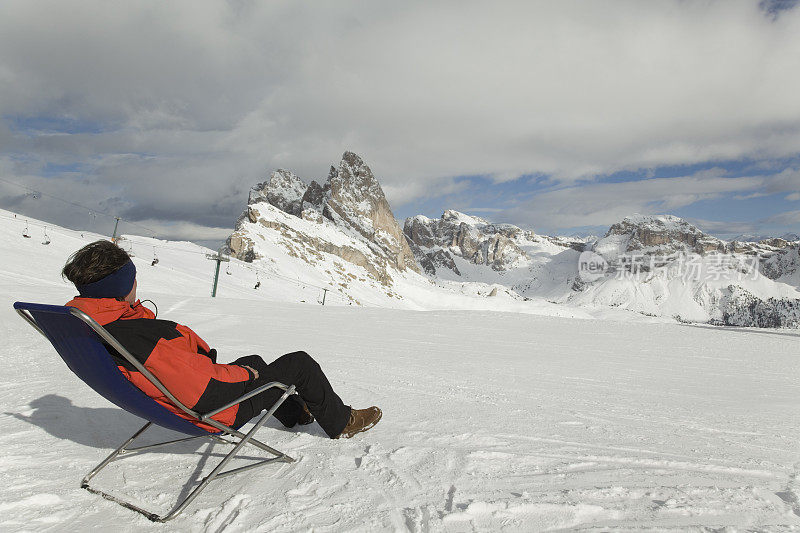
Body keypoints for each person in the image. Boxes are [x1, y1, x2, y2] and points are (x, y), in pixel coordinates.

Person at [61, 240, 381, 439]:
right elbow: (201, 386)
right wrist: (245, 376)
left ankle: (296, 413)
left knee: (255, 361)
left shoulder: (89, 321)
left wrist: (247, 370)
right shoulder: (133, 337)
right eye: (133, 279)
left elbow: (177, 370)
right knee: (298, 364)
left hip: (171, 397)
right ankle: (341, 422)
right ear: (120, 286)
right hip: (211, 411)